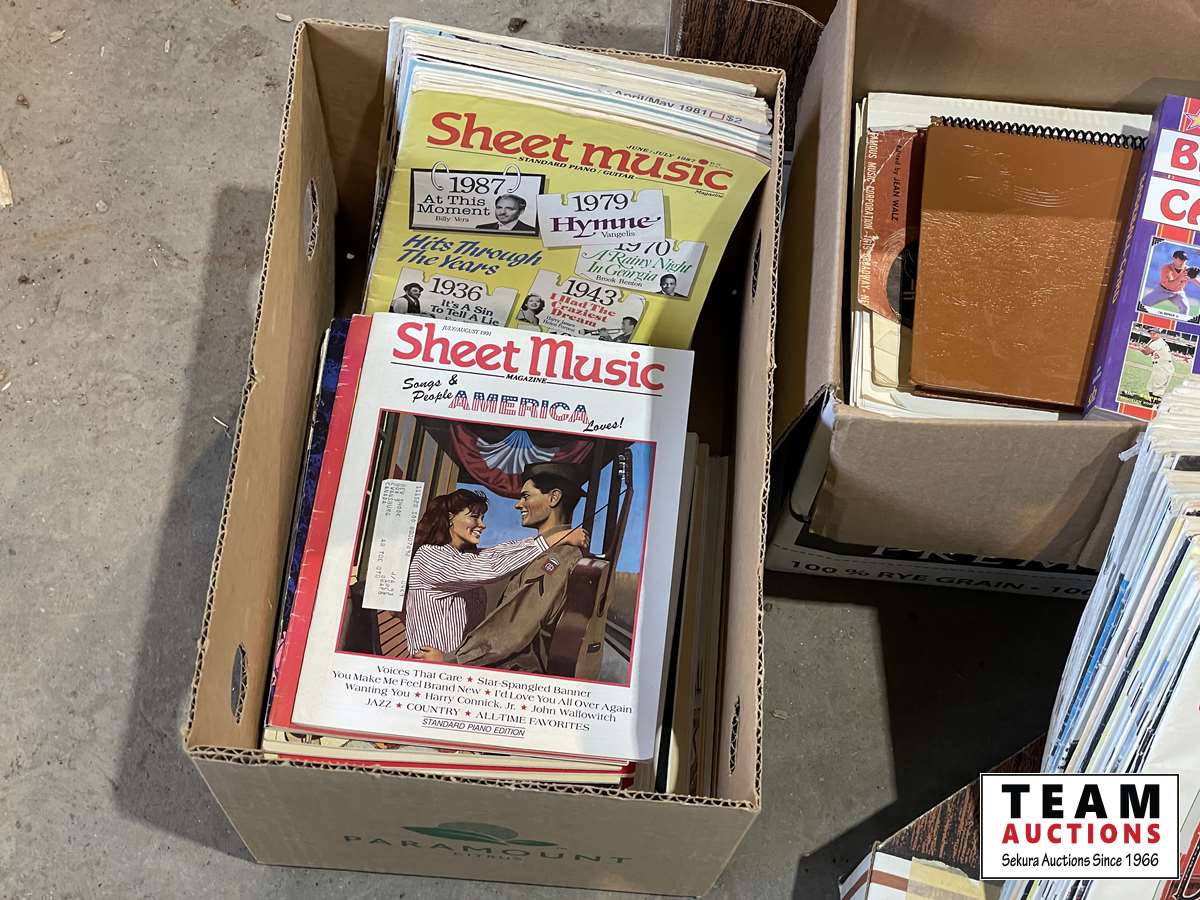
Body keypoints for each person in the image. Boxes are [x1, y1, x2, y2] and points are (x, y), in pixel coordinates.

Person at [415, 463, 590, 674]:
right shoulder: (431, 555)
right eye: (474, 517)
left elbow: (513, 628)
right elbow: (490, 565)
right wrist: (552, 540)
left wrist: (454, 660)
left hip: (476, 668)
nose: (518, 504)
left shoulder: (555, 557)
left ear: (554, 498)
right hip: (432, 664)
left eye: (526, 496)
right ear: (451, 517)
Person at [1142, 250, 1198, 317]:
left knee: (1185, 308)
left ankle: (1178, 323)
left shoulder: (1187, 269)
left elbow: (1196, 280)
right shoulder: (1167, 268)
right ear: (1174, 258)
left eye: (1185, 259)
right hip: (1162, 291)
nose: (1183, 261)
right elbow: (1169, 285)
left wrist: (1194, 277)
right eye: (1181, 259)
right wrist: (1180, 278)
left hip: (1177, 293)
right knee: (1143, 304)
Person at [1136, 331, 1178, 406]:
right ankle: (1152, 403)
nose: (1152, 335)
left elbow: (1147, 352)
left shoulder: (1157, 342)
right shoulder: (1156, 342)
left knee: (1157, 389)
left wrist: (1141, 349)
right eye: (1151, 333)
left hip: (1163, 367)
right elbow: (1150, 352)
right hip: (1159, 366)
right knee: (1151, 387)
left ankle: (1157, 406)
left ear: (1159, 334)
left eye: (1154, 333)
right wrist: (1145, 348)